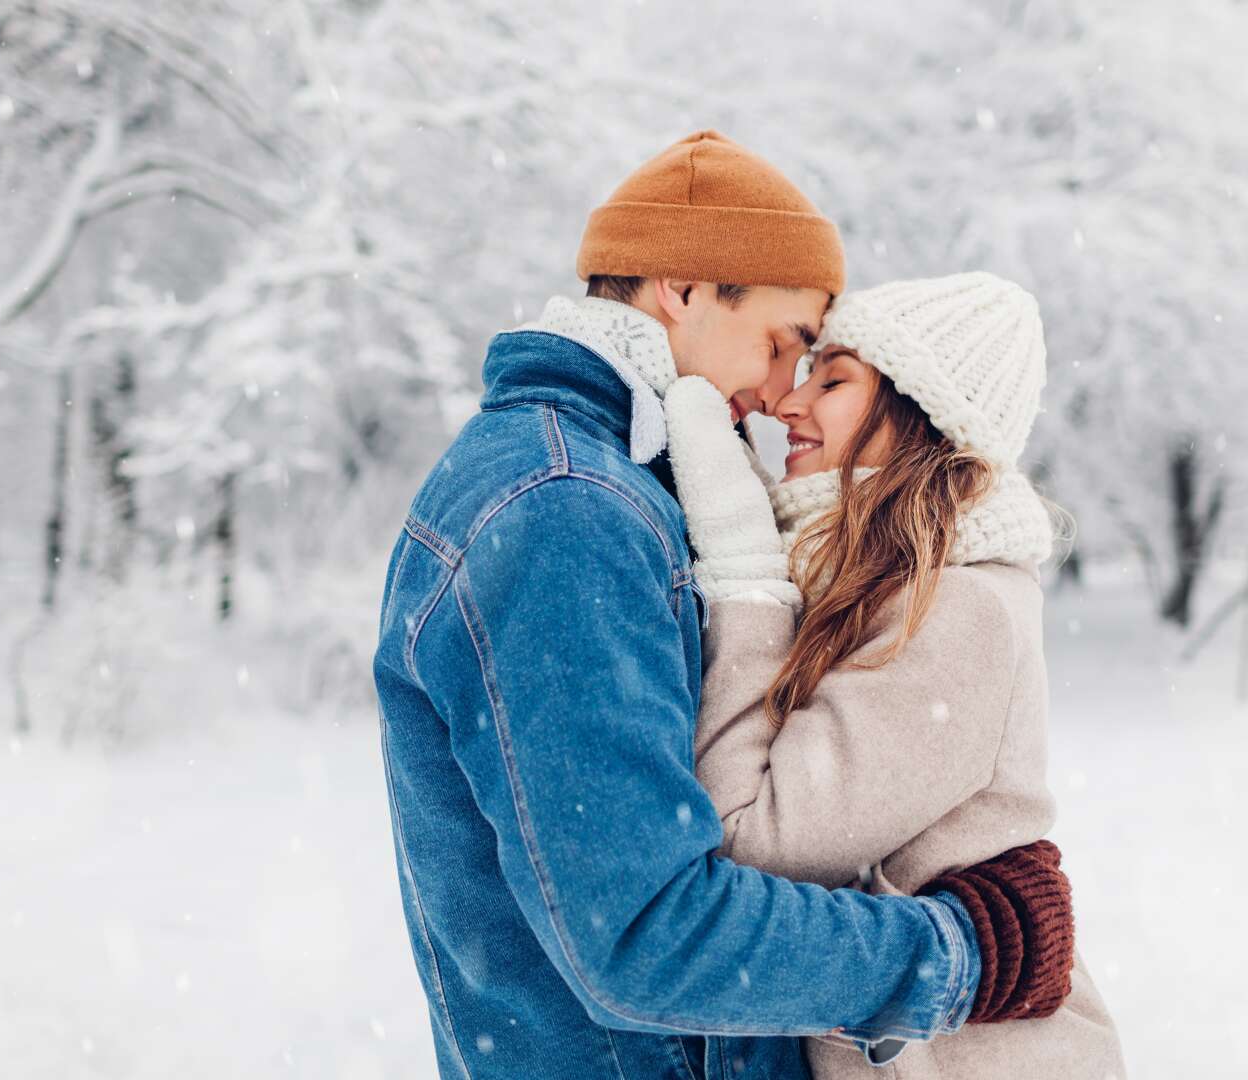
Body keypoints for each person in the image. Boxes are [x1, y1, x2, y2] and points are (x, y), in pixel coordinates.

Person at [373, 131, 1077, 1080]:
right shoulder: (564, 508)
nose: (780, 392)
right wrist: (961, 954)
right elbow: (646, 935)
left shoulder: (620, 484)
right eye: (787, 346)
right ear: (689, 289)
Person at [662, 271, 1127, 1078]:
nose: (787, 404)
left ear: (924, 417)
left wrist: (744, 570)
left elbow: (751, 840)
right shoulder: (878, 585)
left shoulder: (958, 608)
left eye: (833, 380)